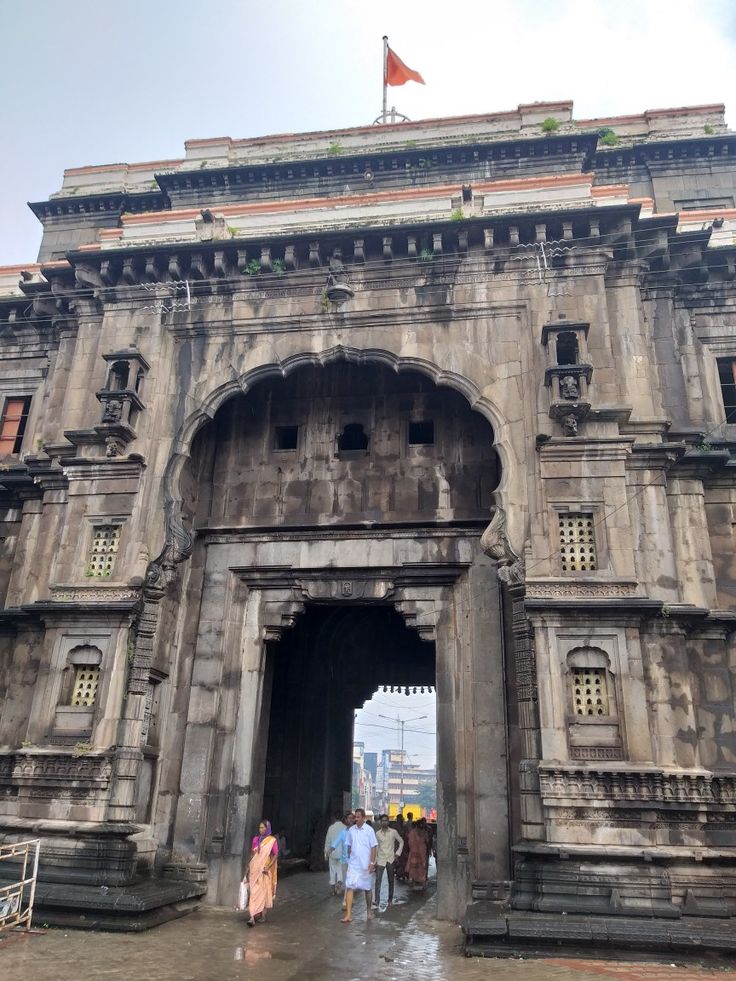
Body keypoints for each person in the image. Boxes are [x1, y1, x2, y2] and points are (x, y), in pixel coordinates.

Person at [341, 807, 377, 923]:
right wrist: (350, 858)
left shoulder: (369, 830)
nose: (355, 819)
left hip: (366, 864)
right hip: (354, 864)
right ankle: (348, 915)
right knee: (350, 886)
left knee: (367, 888)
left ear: (363, 818)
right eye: (355, 817)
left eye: (358, 817)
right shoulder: (351, 830)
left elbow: (373, 847)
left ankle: (369, 910)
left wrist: (372, 863)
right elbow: (349, 846)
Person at [245, 819, 278, 927]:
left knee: (263, 892)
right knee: (254, 892)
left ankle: (263, 915)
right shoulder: (255, 839)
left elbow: (275, 854)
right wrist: (248, 867)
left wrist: (268, 866)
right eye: (259, 827)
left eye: (263, 827)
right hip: (255, 869)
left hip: (264, 870)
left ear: (267, 828)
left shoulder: (272, 841)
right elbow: (252, 854)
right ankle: (252, 916)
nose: (261, 829)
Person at [374, 813, 403, 908]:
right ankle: (377, 900)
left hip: (391, 859)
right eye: (383, 821)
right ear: (380, 822)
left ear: (388, 822)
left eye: (386, 820)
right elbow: (376, 847)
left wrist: (398, 853)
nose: (384, 822)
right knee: (378, 880)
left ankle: (390, 899)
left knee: (391, 880)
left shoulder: (393, 832)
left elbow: (401, 841)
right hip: (380, 859)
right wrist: (374, 861)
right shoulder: (377, 834)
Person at [324, 811, 346, 895]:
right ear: (342, 818)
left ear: (334, 818)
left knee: (332, 870)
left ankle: (333, 890)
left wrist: (326, 853)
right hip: (342, 853)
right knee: (340, 870)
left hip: (332, 852)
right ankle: (339, 883)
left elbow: (328, 841)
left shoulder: (331, 828)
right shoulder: (345, 828)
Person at [406, 817, 429, 890]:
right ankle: (423, 882)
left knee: (413, 868)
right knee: (422, 867)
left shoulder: (412, 833)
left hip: (413, 853)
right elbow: (427, 841)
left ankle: (412, 881)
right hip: (422, 852)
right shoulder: (424, 832)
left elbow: (409, 842)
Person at [340, 812, 355, 905]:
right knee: (348, 880)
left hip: (353, 860)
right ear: (345, 820)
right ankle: (347, 899)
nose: (350, 820)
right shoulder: (343, 832)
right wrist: (330, 849)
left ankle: (346, 899)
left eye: (351, 818)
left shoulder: (355, 831)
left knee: (350, 880)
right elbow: (336, 842)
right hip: (344, 859)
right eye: (348, 818)